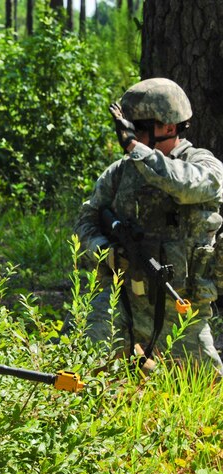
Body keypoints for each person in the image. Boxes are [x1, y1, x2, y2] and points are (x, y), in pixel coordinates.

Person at [74, 77, 223, 373]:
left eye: (138, 129)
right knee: (85, 364)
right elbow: (85, 223)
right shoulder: (119, 173)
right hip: (123, 300)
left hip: (179, 306)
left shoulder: (204, 166)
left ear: (169, 127)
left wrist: (137, 149)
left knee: (203, 388)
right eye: (128, 130)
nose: (130, 137)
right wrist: (105, 251)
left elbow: (185, 185)